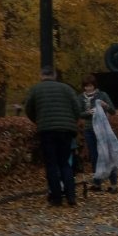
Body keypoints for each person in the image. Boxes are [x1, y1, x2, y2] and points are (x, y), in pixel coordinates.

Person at [24, 66, 82, 207]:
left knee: (51, 164)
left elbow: (28, 109)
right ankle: (71, 196)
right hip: (66, 130)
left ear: (41, 75)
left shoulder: (35, 89)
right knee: (65, 163)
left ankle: (56, 198)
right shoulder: (67, 89)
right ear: (55, 75)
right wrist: (70, 122)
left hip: (46, 130)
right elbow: (77, 108)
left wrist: (38, 121)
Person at [79, 74, 117, 192]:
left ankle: (114, 184)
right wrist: (88, 113)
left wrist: (105, 106)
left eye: (90, 86)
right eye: (86, 86)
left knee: (108, 154)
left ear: (94, 86)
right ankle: (97, 183)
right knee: (94, 156)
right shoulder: (80, 98)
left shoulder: (102, 95)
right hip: (89, 129)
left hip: (102, 129)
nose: (88, 89)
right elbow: (78, 113)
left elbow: (113, 111)